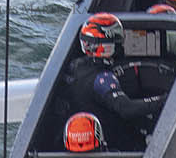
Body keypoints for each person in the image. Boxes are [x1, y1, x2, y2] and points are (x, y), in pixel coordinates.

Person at [57, 14, 167, 148]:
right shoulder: (102, 78)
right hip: (114, 142)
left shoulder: (75, 66)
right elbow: (127, 108)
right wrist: (164, 100)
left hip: (84, 130)